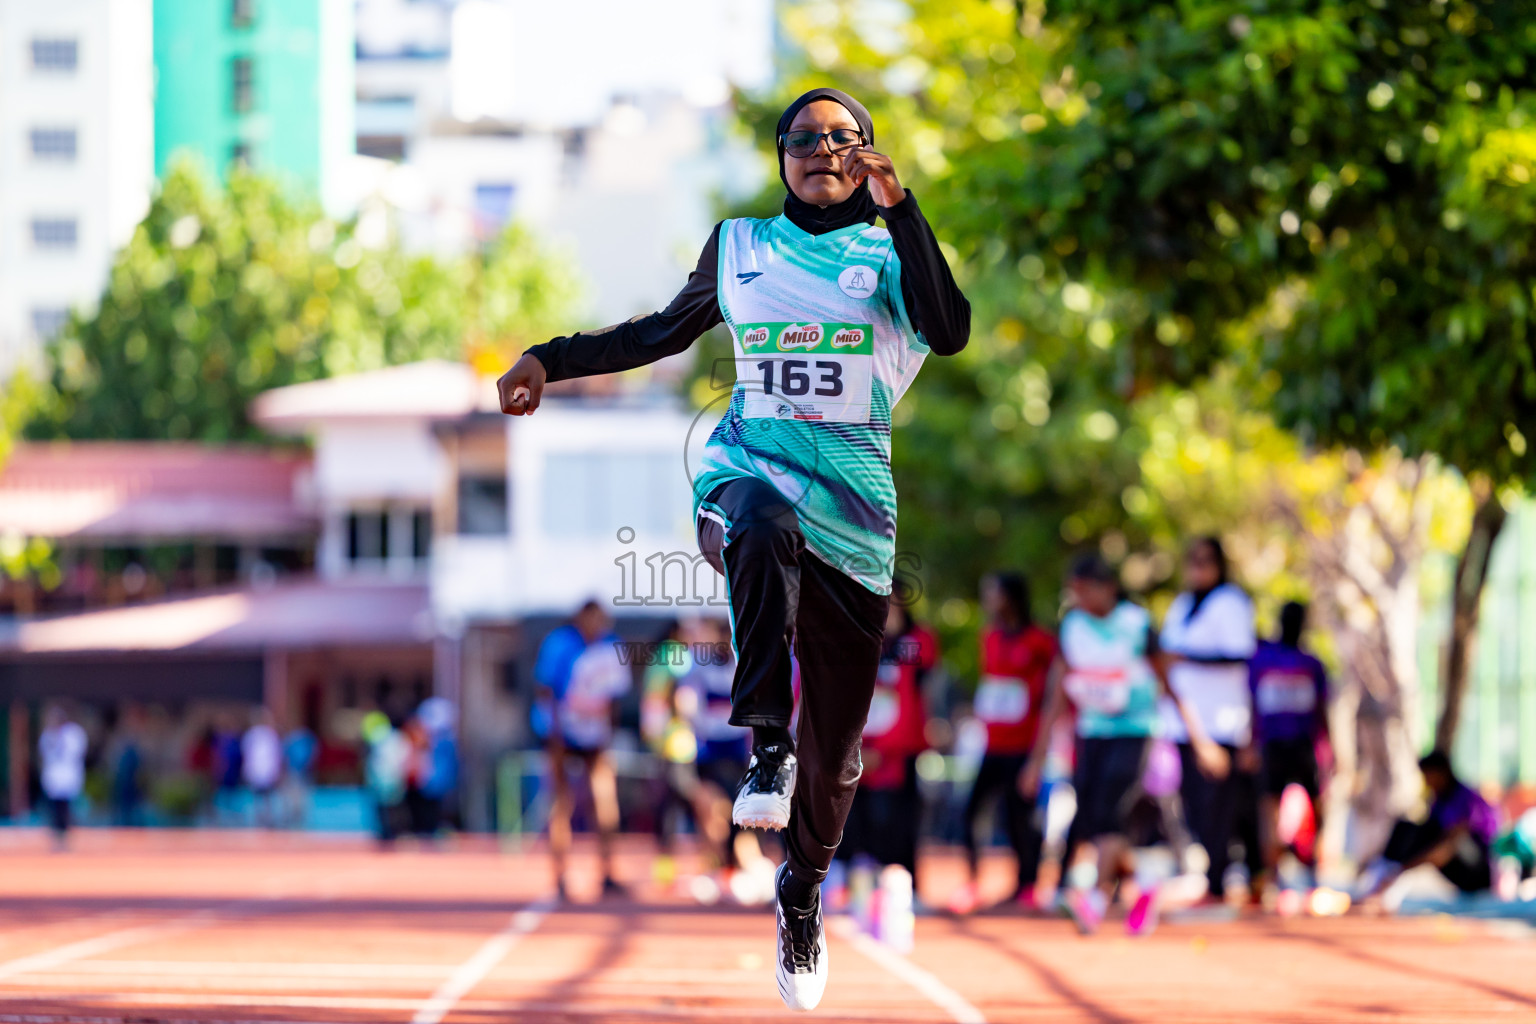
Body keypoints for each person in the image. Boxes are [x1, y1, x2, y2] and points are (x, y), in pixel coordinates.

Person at [498, 87, 969, 1009]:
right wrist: (547, 358)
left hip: (856, 519)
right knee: (757, 523)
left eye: (843, 139)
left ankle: (801, 887)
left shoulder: (886, 250)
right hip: (745, 473)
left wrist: (903, 209)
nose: (822, 150)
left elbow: (948, 331)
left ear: (868, 153)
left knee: (838, 760)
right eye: (804, 138)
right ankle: (764, 746)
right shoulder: (740, 247)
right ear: (780, 155)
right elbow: (657, 332)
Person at [1022, 555, 1229, 936]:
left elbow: (1170, 683)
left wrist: (1201, 741)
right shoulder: (1072, 627)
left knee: (1111, 807)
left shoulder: (1136, 624)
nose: (1079, 600)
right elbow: (1056, 692)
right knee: (1092, 814)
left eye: (1085, 591)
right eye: (1074, 593)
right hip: (1092, 730)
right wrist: (1037, 758)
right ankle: (1145, 882)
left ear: (1107, 589)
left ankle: (1095, 901)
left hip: (1136, 729)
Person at [1158, 536, 1257, 903]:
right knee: (1192, 804)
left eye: (1206, 561)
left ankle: (1218, 883)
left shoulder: (1231, 602)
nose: (1198, 568)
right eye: (1192, 560)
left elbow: (1239, 654)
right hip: (1183, 723)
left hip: (1222, 723)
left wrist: (1185, 657)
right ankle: (1210, 878)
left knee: (1218, 807)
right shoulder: (1182, 605)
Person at [952, 572, 1055, 914]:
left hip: (1024, 746)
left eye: (992, 593)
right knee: (970, 811)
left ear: (1011, 597)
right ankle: (974, 882)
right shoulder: (990, 637)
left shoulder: (1040, 641)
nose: (987, 599)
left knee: (1020, 818)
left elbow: (1052, 691)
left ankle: (1028, 885)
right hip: (993, 745)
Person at [534, 600, 631, 901]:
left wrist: (607, 734)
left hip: (595, 737)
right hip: (561, 733)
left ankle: (607, 870)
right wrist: (555, 735)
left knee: (604, 799)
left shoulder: (612, 646)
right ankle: (560, 874)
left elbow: (615, 697)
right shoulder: (559, 643)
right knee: (562, 802)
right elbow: (545, 690)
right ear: (580, 617)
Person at [836, 603, 934, 884]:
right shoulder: (853, 641)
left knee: (894, 819)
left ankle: (902, 883)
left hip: (895, 752)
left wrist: (884, 750)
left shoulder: (914, 644)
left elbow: (911, 698)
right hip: (858, 749)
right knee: (853, 818)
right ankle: (855, 884)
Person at [1247, 601, 1331, 886]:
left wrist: (1330, 748)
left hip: (1299, 745)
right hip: (1276, 745)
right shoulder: (1264, 660)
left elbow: (1322, 709)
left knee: (1308, 806)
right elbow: (1252, 705)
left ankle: (1309, 867)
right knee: (1271, 810)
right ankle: (1275, 872)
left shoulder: (1310, 663)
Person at [1357, 751, 1497, 900]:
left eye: (1427, 776)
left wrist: (1404, 870)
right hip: (1457, 862)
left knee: (1437, 837)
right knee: (1407, 826)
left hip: (1480, 872)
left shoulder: (1467, 798)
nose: (1426, 782)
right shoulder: (1439, 800)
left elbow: (1448, 847)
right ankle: (1382, 870)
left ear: (1441, 773)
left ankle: (1388, 880)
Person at [39, 706, 87, 850]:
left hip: (67, 776)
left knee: (65, 809)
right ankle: (57, 837)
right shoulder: (49, 734)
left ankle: (64, 838)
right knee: (54, 810)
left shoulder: (72, 733)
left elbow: (77, 754)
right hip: (54, 777)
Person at [242, 710, 284, 828]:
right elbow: (248, 755)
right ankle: (259, 820)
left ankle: (267, 820)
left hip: (266, 771)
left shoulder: (270, 735)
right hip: (257, 770)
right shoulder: (252, 735)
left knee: (266, 797)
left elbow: (276, 755)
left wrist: (276, 771)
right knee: (259, 797)